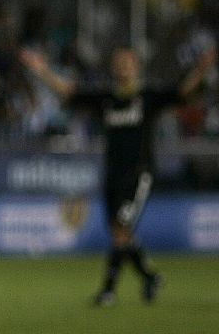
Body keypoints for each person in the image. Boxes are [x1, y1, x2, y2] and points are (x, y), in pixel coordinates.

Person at [21, 46, 215, 306]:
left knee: (121, 229)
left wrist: (203, 68)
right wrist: (42, 70)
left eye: (128, 62)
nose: (123, 66)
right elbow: (69, 92)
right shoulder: (107, 99)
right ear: (114, 68)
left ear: (136, 67)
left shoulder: (147, 97)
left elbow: (182, 92)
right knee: (117, 231)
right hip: (113, 173)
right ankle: (150, 276)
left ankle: (108, 291)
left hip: (139, 173)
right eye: (119, 62)